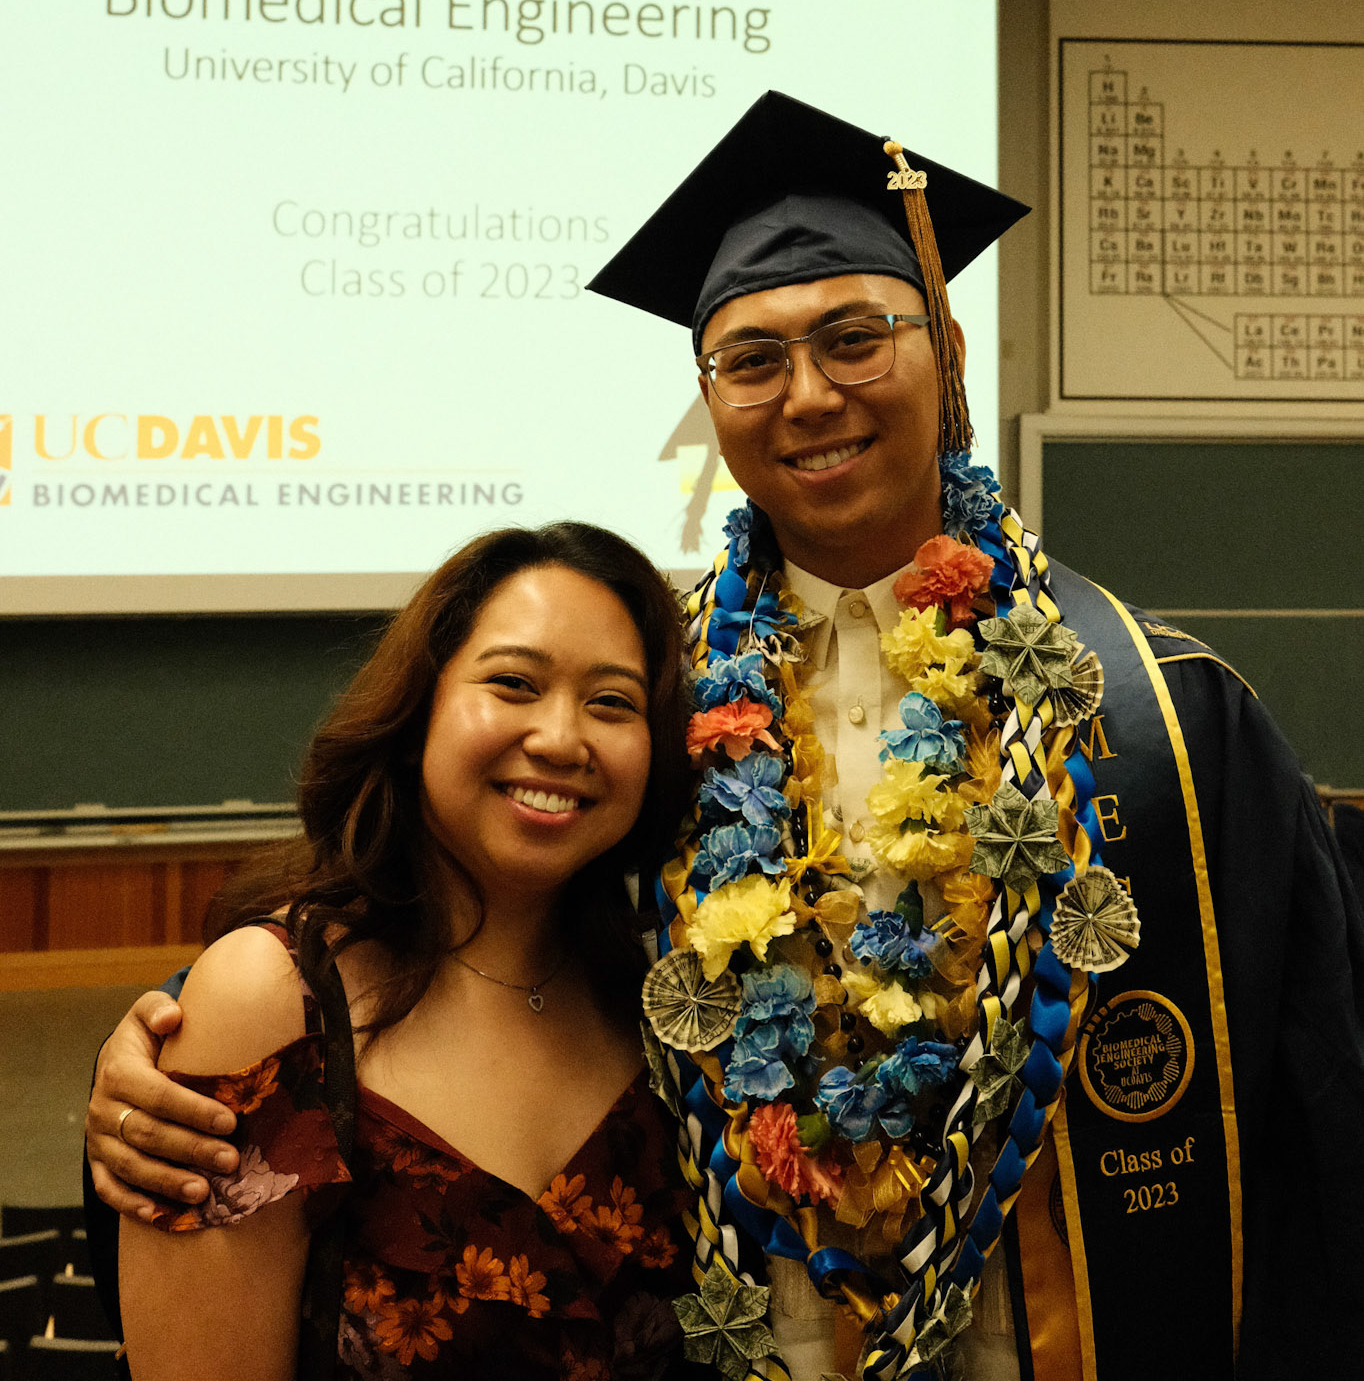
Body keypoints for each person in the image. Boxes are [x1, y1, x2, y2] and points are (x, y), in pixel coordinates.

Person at [88, 93, 1364, 1381]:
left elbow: (1320, 1089)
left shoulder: (1160, 713)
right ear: (708, 397)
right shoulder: (646, 702)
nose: (807, 395)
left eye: (854, 338)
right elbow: (461, 942)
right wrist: (162, 1068)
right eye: (752, 359)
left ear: (946, 349)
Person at [111, 520, 701, 1380]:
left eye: (612, 702)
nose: (560, 739)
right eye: (514, 684)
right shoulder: (272, 1003)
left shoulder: (669, 999)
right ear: (420, 707)